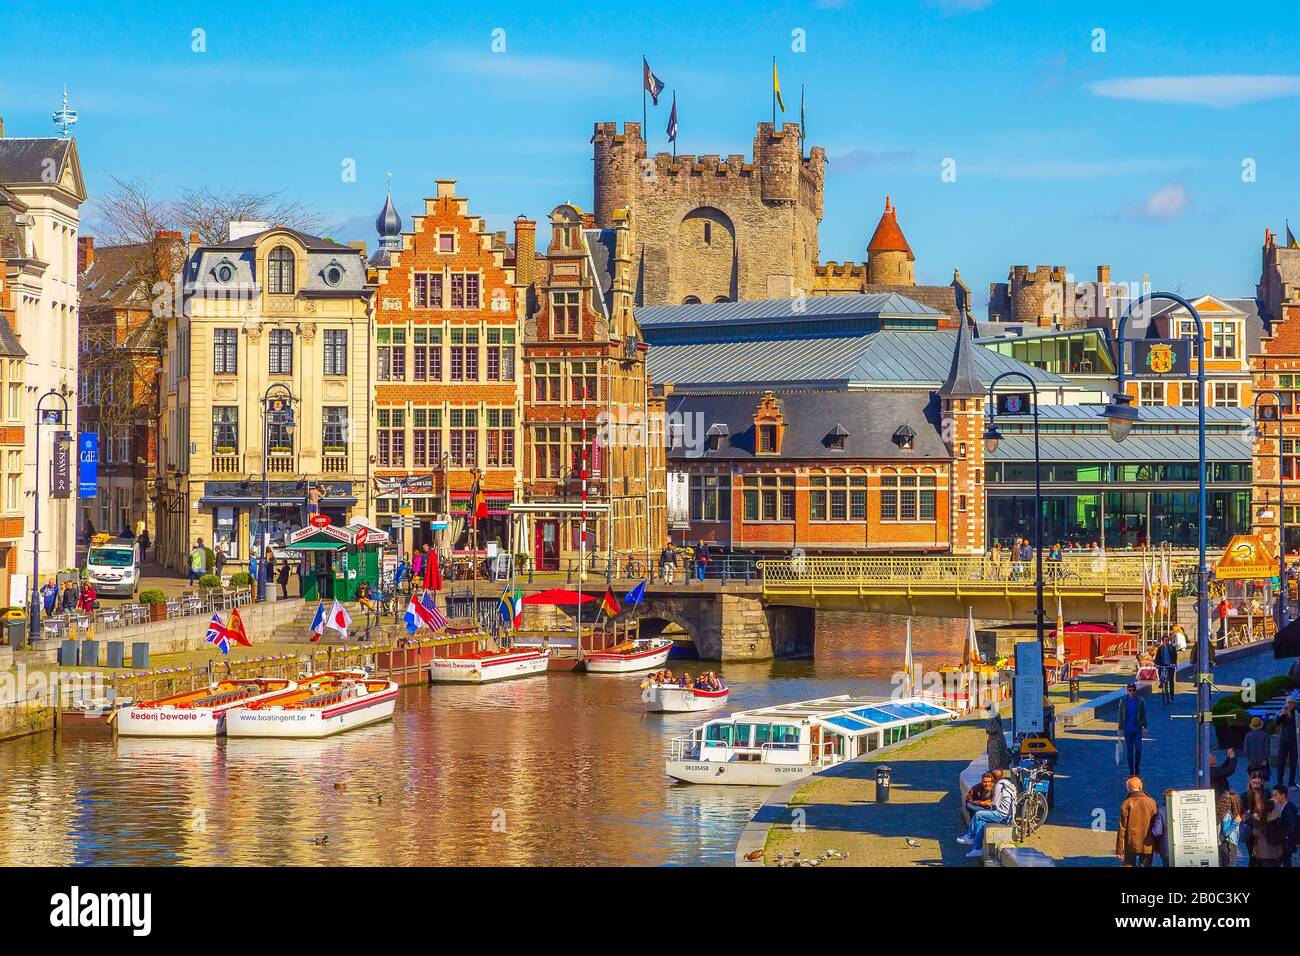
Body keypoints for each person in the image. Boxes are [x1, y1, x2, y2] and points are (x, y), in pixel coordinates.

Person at [957, 767, 1015, 859]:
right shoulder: (1007, 783)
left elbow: (995, 804)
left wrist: (988, 804)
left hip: (1003, 816)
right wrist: (982, 803)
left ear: (993, 779)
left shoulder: (999, 786)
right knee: (980, 822)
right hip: (1005, 814)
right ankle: (977, 849)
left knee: (979, 814)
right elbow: (968, 799)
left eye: (990, 780)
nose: (988, 783)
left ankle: (969, 836)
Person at [1115, 775, 1158, 867]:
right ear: (1141, 786)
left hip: (1131, 844)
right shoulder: (1151, 802)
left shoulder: (1126, 803)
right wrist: (1157, 846)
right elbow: (1157, 826)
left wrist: (1119, 850)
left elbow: (1122, 828)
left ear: (1129, 789)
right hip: (1148, 844)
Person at [1118, 682, 1148, 776]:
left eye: (1133, 690)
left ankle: (1137, 768)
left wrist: (1145, 726)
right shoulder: (1123, 700)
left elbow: (1143, 714)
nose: (1131, 692)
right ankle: (1131, 770)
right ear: (1127, 691)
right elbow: (1120, 714)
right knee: (1129, 750)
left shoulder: (1140, 700)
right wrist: (1120, 728)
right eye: (1130, 690)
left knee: (1138, 749)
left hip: (1137, 729)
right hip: (1127, 729)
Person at [1218, 779, 1243, 867]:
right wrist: (1236, 822)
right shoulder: (1227, 815)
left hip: (1230, 846)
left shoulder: (1230, 814)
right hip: (1228, 846)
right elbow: (1226, 832)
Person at [1276, 698, 1298, 791]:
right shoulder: (1282, 712)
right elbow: (1276, 723)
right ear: (1286, 703)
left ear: (1295, 704)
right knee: (1281, 762)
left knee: (1293, 763)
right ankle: (1279, 783)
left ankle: (1291, 783)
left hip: (1295, 742)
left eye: (1292, 703)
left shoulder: (1297, 713)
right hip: (1284, 741)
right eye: (1288, 703)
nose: (1290, 704)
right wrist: (1280, 716)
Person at [1243, 716, 1272, 785]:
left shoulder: (1248, 735)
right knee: (1262, 777)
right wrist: (1265, 759)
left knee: (1252, 777)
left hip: (1252, 761)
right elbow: (1267, 749)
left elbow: (1246, 750)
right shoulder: (1265, 735)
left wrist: (1249, 759)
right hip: (1262, 760)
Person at [1275, 785, 1298, 866]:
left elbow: (1291, 827)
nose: (1273, 797)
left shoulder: (1289, 809)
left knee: (1286, 862)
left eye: (1275, 795)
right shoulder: (1279, 806)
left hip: (1286, 842)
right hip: (1282, 842)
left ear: (1283, 795)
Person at [1154, 635, 1177, 704]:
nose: (1167, 642)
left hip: (1170, 665)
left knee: (1171, 680)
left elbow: (1175, 656)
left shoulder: (1172, 648)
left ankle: (1172, 694)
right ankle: (1161, 682)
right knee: (1160, 672)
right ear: (1163, 641)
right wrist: (1156, 664)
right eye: (1165, 641)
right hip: (1162, 665)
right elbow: (1157, 657)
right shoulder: (1160, 649)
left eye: (1167, 640)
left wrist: (1174, 663)